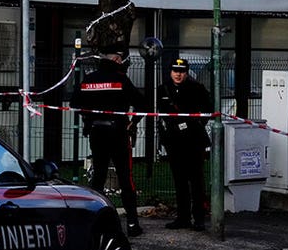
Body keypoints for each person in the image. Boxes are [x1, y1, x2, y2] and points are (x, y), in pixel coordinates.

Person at [70, 43, 148, 237]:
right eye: (120, 59)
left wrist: (88, 120)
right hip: (118, 133)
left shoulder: (89, 80)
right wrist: (133, 121)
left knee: (98, 177)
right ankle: (132, 223)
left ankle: (94, 221)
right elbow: (141, 103)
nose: (121, 63)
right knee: (125, 178)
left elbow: (74, 103)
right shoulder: (121, 79)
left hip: (96, 133)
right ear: (115, 59)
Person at [157, 58, 212, 231]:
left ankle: (199, 218)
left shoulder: (197, 88)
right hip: (174, 141)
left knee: (196, 180)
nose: (178, 74)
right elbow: (158, 111)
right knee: (179, 180)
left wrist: (196, 125)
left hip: (193, 140)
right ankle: (183, 217)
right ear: (170, 72)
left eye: (181, 71)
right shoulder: (163, 89)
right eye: (175, 71)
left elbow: (208, 109)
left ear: (186, 72)